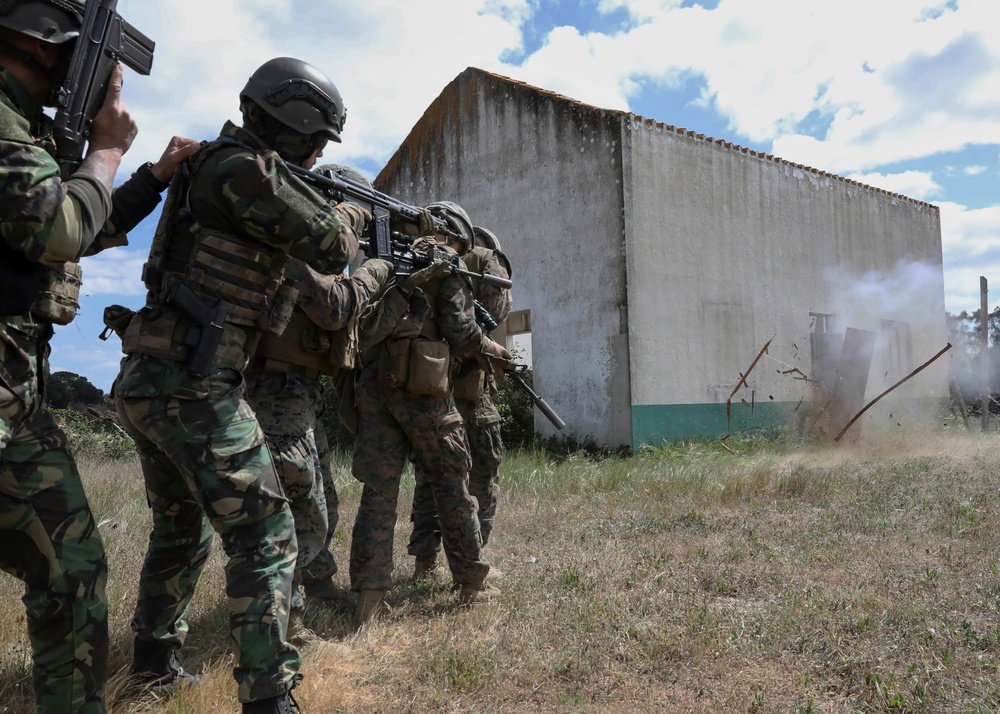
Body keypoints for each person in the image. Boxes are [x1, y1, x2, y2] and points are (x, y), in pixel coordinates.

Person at [111, 57, 363, 714]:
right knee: (266, 533)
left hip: (154, 375)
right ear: (297, 129)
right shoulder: (242, 170)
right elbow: (334, 245)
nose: (315, 155)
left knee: (180, 526)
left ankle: (152, 667)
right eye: (316, 142)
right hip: (194, 385)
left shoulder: (220, 166)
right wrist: (351, 216)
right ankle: (268, 698)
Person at [0, 2, 197, 712]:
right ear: (41, 42)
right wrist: (105, 151)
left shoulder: (25, 128)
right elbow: (57, 226)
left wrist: (147, 174)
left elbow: (79, 220)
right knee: (71, 568)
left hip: (17, 400)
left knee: (72, 568)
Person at [349, 201, 512, 622]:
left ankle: (369, 598)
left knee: (379, 493)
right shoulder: (443, 262)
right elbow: (459, 329)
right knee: (452, 483)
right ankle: (472, 584)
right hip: (424, 389)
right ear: (455, 235)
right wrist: (493, 350)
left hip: (373, 389)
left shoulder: (384, 257)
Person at [245, 164, 393, 620]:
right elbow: (334, 307)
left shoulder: (312, 243)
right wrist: (376, 271)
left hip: (302, 390)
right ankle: (283, 618)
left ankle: (319, 585)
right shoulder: (299, 239)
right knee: (296, 501)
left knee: (322, 498)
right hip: (275, 388)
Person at [407, 225, 513, 578]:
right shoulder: (485, 260)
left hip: (429, 384)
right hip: (470, 390)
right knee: (482, 472)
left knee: (430, 476)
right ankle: (474, 556)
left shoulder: (419, 259)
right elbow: (495, 312)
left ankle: (425, 560)